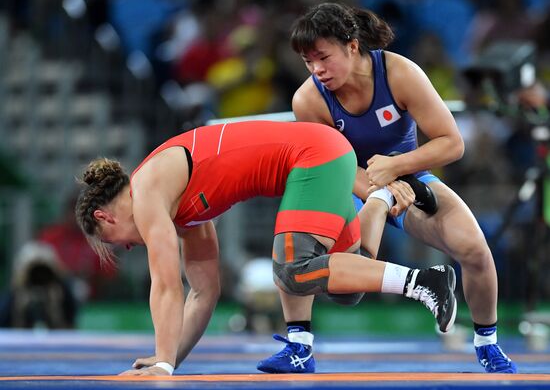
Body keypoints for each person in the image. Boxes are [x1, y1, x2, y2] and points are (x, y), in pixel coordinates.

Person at [74, 120, 457, 376]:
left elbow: (166, 286)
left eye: (114, 241)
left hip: (313, 157)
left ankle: (426, 280)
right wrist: (168, 361)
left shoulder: (146, 194)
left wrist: (159, 364)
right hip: (322, 156)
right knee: (349, 285)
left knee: (292, 267)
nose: (126, 247)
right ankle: (381, 203)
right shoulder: (180, 212)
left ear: (105, 216)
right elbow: (204, 293)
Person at [258, 3, 517, 374]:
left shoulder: (399, 72)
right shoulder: (309, 99)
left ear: (351, 45)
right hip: (348, 183)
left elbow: (451, 143)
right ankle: (299, 346)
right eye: (307, 62)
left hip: (410, 178)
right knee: (293, 246)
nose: (317, 70)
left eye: (323, 58)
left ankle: (487, 345)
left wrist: (395, 167)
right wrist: (381, 189)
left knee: (475, 250)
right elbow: (337, 165)